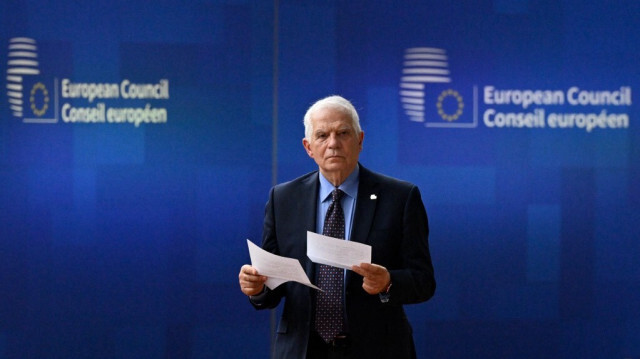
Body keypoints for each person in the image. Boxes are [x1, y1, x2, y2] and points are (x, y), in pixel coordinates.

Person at [238, 95, 435, 358]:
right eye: (322, 135)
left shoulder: (400, 197)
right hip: (303, 349)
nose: (333, 144)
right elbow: (274, 288)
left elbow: (423, 281)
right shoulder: (283, 199)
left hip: (378, 348)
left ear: (360, 140)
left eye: (343, 133)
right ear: (308, 147)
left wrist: (388, 282)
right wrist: (258, 287)